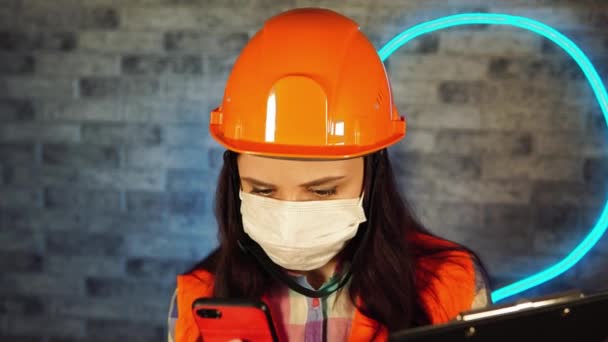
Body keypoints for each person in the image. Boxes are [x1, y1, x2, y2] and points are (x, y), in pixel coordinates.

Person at [167, 8, 490, 342]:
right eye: (263, 190)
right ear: (235, 182)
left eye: (322, 192)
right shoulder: (200, 297)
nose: (290, 219)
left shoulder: (449, 284)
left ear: (372, 179)